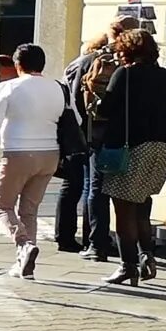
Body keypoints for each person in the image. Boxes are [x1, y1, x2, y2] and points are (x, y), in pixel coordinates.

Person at [93, 25, 166, 288]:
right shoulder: (164, 76)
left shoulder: (124, 75)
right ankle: (146, 256)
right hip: (161, 148)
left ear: (126, 51)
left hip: (132, 148)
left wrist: (95, 95)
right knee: (142, 205)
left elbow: (106, 109)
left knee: (123, 210)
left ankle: (127, 266)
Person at [0, 42, 65, 279]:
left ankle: (24, 244)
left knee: (2, 205)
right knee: (29, 210)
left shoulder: (8, 87)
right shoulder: (58, 88)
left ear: (18, 65)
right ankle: (25, 265)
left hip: (19, 152)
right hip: (50, 154)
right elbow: (71, 118)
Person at [56, 29, 115, 255]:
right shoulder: (99, 64)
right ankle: (92, 239)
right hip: (94, 132)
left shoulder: (76, 64)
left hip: (76, 130)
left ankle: (65, 236)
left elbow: (68, 98)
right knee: (91, 186)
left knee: (73, 184)